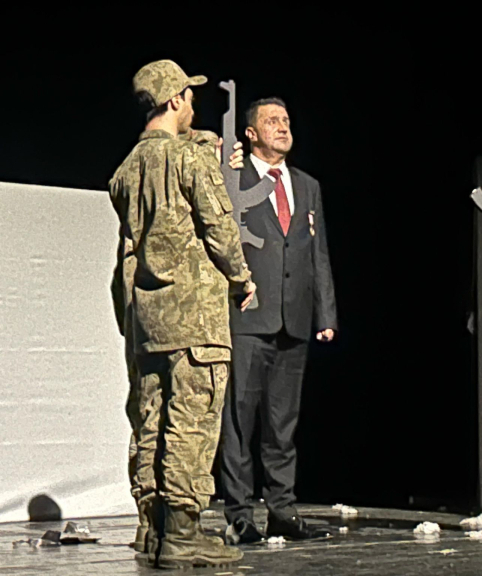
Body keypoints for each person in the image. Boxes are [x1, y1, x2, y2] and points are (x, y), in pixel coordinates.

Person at [109, 59, 256, 568]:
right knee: (192, 423)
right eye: (189, 98)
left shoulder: (126, 170)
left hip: (147, 316)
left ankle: (152, 528)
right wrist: (242, 278)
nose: (194, 106)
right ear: (174, 100)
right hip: (194, 315)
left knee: (151, 419)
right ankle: (182, 533)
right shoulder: (190, 161)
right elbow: (218, 227)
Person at [219, 97, 337, 544]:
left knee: (282, 425)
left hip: (295, 319)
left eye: (286, 120)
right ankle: (239, 513)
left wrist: (325, 312)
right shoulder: (233, 177)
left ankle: (282, 510)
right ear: (250, 133)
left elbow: (316, 252)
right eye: (271, 121)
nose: (283, 127)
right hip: (248, 317)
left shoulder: (307, 185)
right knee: (239, 421)